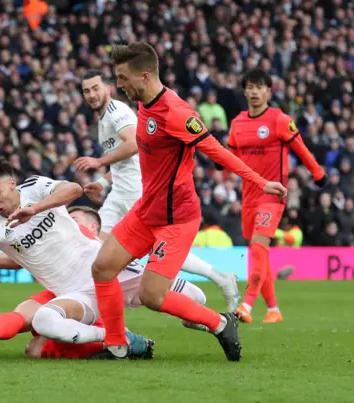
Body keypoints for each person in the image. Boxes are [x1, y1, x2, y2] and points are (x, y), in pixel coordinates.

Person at [0, 157, 205, 359]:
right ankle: (120, 338)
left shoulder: (36, 188)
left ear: (11, 183)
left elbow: (73, 190)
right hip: (74, 293)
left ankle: (217, 324)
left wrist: (35, 209)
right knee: (43, 324)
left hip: (107, 269)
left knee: (197, 299)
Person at [89, 42, 287, 361]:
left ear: (144, 75)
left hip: (176, 219)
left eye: (123, 78)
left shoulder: (176, 112)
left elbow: (217, 150)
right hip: (145, 212)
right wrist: (104, 178)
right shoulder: (145, 105)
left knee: (151, 296)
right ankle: (116, 347)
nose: (119, 85)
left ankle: (220, 323)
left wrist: (262, 182)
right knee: (102, 268)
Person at [76, 69, 240, 311]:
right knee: (99, 251)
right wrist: (102, 182)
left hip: (138, 191)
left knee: (155, 248)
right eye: (86, 91)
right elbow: (125, 162)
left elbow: (133, 144)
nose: (91, 94)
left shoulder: (117, 112)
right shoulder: (103, 120)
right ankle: (109, 305)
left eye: (95, 88)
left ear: (108, 88)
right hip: (119, 193)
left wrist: (99, 162)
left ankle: (209, 281)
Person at [227, 69, 325, 324]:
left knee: (259, 247)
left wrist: (317, 173)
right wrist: (220, 163)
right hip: (248, 195)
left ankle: (246, 304)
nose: (254, 92)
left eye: (259, 87)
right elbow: (230, 151)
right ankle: (273, 309)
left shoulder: (279, 120)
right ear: (245, 91)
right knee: (259, 253)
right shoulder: (237, 122)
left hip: (272, 195)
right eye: (250, 87)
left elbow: (301, 149)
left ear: (269, 91)